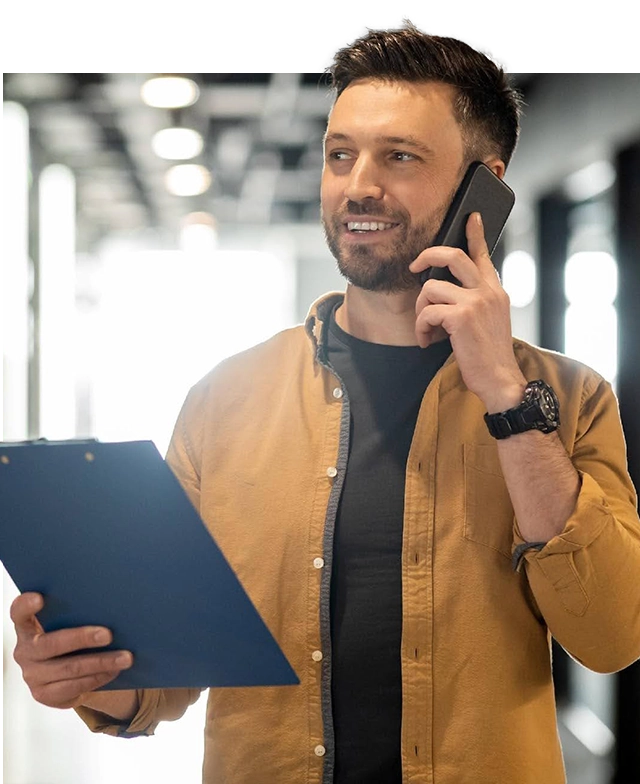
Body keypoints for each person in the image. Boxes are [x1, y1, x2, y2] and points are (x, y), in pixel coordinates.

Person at [10, 21, 640, 784]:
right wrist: (87, 674)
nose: (358, 184)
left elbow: (613, 634)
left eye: (400, 157)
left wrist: (505, 394)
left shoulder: (567, 401)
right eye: (340, 155)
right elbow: (162, 675)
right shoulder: (227, 399)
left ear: (486, 186)